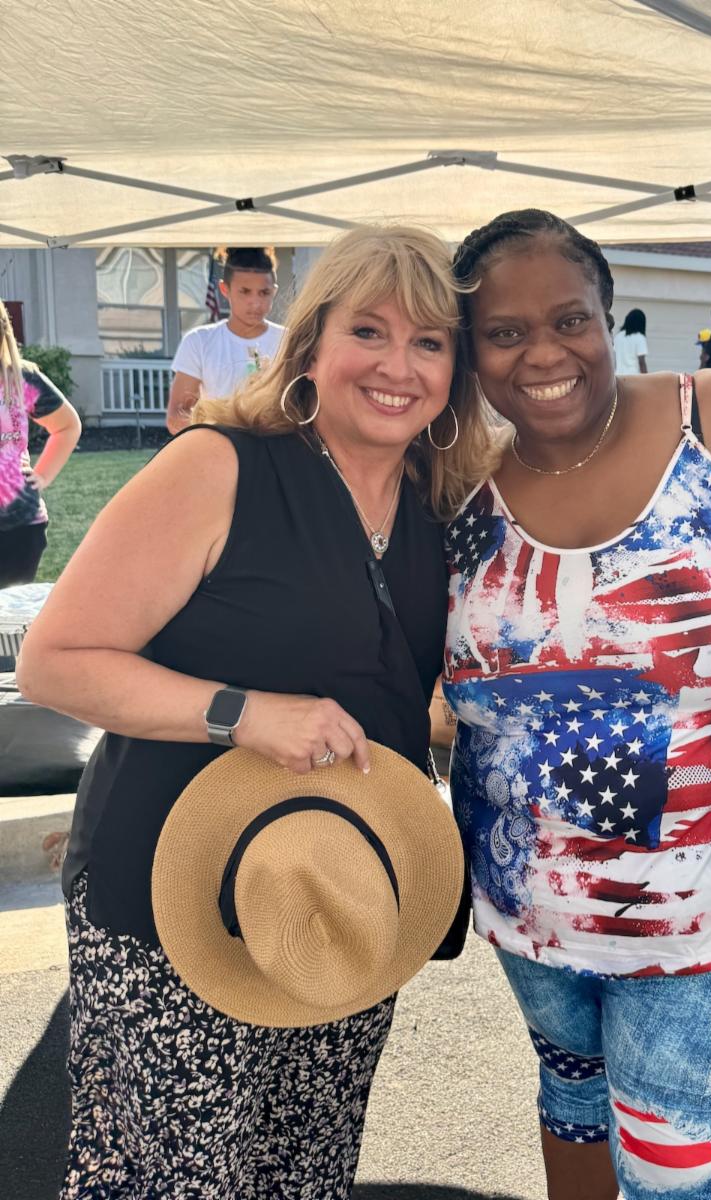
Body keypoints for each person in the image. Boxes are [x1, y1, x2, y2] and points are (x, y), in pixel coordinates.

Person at [16, 224, 494, 1198]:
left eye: (430, 342)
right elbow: (55, 661)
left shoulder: (434, 498)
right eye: (371, 331)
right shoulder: (221, 466)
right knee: (180, 1179)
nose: (398, 366)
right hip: (175, 898)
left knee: (306, 1170)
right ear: (310, 344)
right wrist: (245, 714)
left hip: (338, 891)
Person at [443, 208, 711, 1200]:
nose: (544, 353)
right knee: (570, 1109)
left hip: (704, 929)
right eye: (505, 333)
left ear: (608, 315)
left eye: (570, 320)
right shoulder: (461, 480)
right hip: (528, 916)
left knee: (679, 1182)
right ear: (472, 352)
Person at [0, 300, 82, 586]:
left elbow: (67, 426)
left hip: (20, 528)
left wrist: (43, 476)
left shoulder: (20, 379)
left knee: (8, 622)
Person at [166, 246, 285, 434]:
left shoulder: (289, 341)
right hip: (219, 450)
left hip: (276, 449)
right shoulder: (199, 341)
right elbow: (177, 417)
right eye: (245, 292)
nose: (255, 302)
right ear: (225, 289)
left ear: (274, 291)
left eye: (264, 293)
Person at [612, 307, 649, 374]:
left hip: (618, 377)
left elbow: (614, 359)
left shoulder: (618, 336)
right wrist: (648, 379)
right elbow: (641, 362)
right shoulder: (640, 338)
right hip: (633, 378)